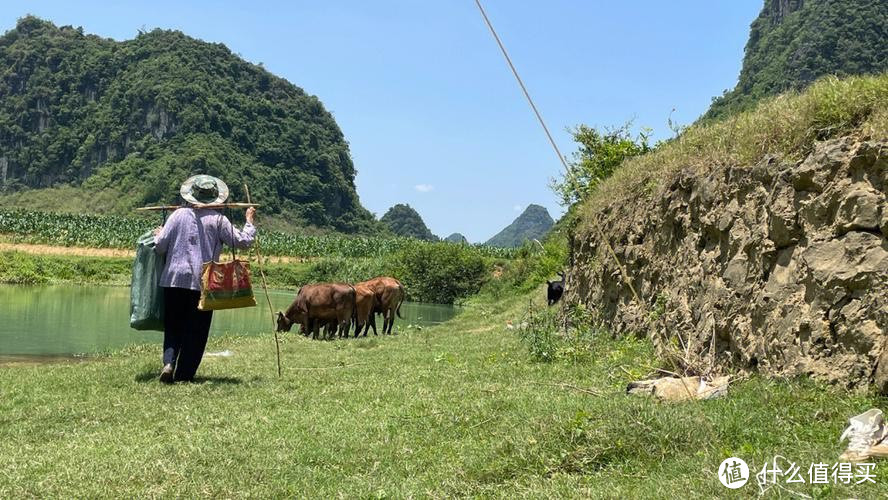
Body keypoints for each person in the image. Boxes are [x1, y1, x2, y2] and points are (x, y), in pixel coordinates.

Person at [153, 174, 256, 383]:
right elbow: (243, 242)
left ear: (192, 195)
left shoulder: (177, 215)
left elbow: (160, 246)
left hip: (173, 280)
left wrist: (159, 233)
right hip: (204, 283)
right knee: (197, 330)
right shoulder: (219, 220)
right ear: (214, 198)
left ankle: (169, 363)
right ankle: (184, 375)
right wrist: (249, 222)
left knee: (174, 325)